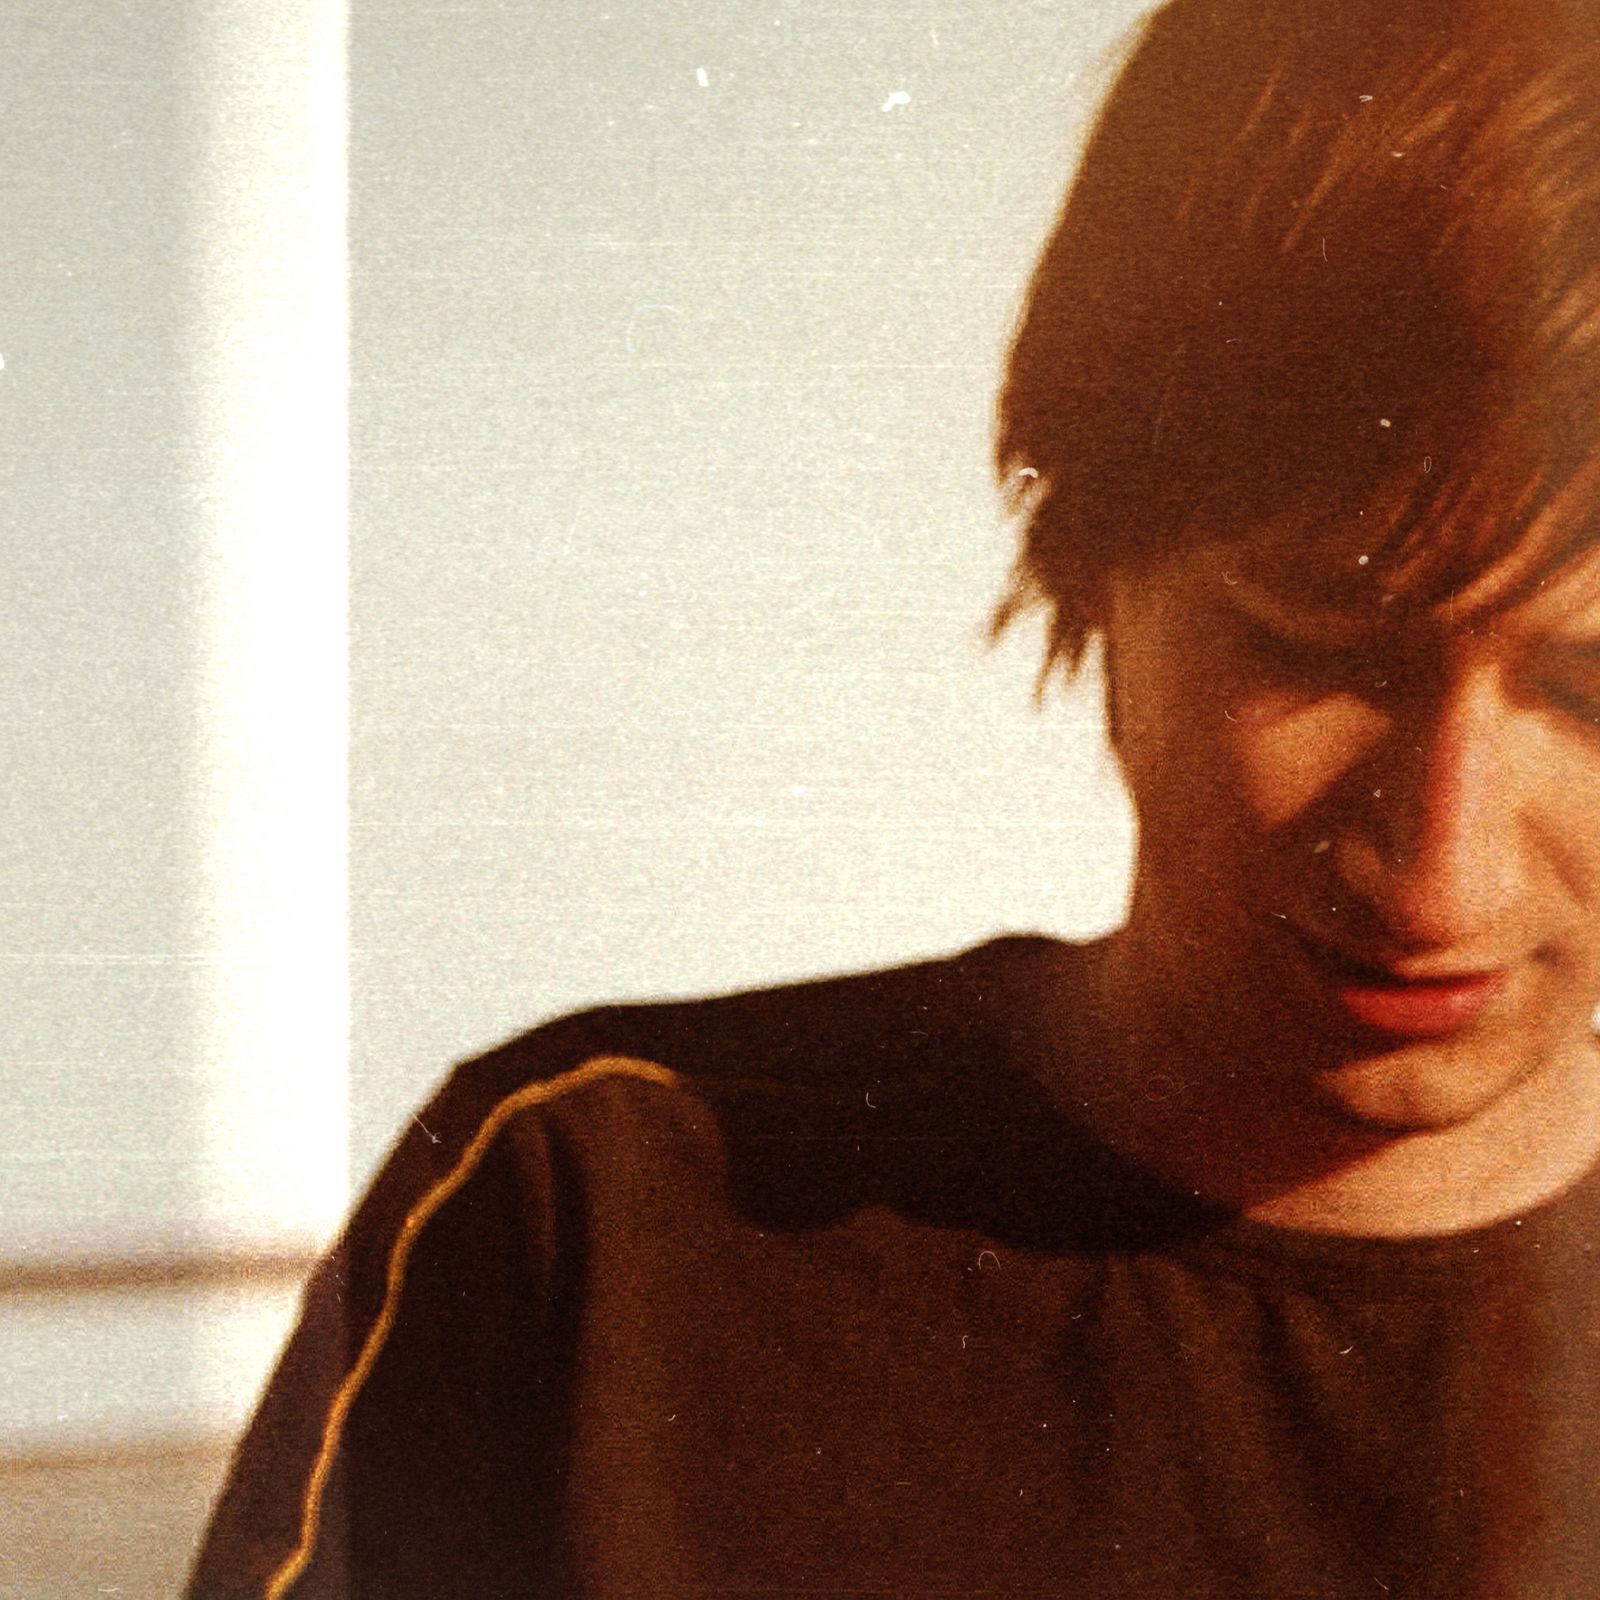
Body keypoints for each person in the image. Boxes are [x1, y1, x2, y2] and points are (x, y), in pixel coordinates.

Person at [190, 0, 1600, 1593]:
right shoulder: (597, 1226)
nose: (1442, 876)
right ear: (1091, 560)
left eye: (1587, 692)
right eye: (1316, 651)